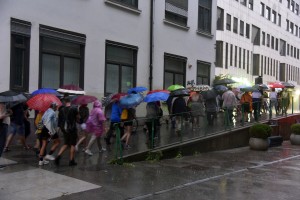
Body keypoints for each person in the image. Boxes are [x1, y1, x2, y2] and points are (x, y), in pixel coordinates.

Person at [55, 97, 78, 166]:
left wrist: (59, 130)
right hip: (72, 129)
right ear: (70, 101)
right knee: (73, 144)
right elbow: (78, 118)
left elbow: (59, 121)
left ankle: (58, 157)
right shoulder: (74, 108)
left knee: (66, 143)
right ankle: (71, 160)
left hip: (65, 129)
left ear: (64, 102)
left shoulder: (61, 110)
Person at [0, 103, 12, 168]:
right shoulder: (2, 104)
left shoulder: (3, 104)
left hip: (3, 125)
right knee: (1, 144)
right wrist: (8, 114)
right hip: (2, 125)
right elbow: (1, 116)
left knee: (1, 144)